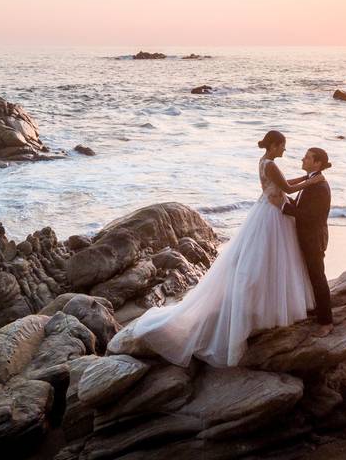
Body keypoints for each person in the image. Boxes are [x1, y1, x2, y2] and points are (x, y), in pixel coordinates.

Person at [106, 130, 325, 367]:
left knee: (265, 260)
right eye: (283, 145)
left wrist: (304, 180)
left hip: (268, 210)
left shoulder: (266, 162)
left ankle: (262, 311)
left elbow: (283, 184)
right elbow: (288, 189)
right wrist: (312, 180)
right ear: (274, 145)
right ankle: (260, 312)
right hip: (272, 214)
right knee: (265, 260)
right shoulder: (271, 164)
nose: (285, 150)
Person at [282, 147, 333, 336]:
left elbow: (311, 216)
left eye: (308, 157)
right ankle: (313, 310)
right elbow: (302, 206)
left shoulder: (319, 186)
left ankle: (326, 323)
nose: (303, 159)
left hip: (313, 239)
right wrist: (284, 199)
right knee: (309, 275)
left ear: (317, 163)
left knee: (318, 277)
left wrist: (284, 208)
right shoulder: (312, 181)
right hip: (307, 236)